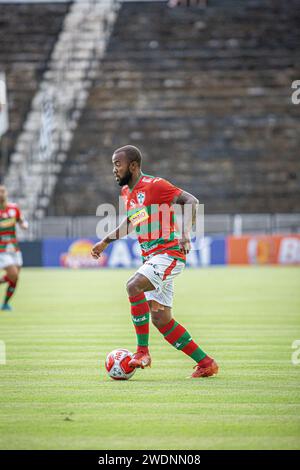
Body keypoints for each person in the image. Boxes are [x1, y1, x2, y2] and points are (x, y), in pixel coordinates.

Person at [91, 145, 218, 378]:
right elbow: (132, 223)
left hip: (169, 254)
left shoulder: (155, 185)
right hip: (152, 258)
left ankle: (142, 352)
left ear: (133, 165)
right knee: (161, 319)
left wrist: (185, 234)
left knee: (133, 285)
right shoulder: (128, 194)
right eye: (113, 165)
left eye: (117, 164)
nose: (114, 170)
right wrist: (105, 242)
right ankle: (206, 363)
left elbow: (191, 200)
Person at [0, 185, 28, 311]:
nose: (1, 194)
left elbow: (21, 220)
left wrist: (24, 224)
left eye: (3, 191)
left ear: (6, 193)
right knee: (13, 274)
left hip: (14, 248)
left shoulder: (14, 208)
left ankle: (5, 303)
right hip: (2, 249)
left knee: (15, 278)